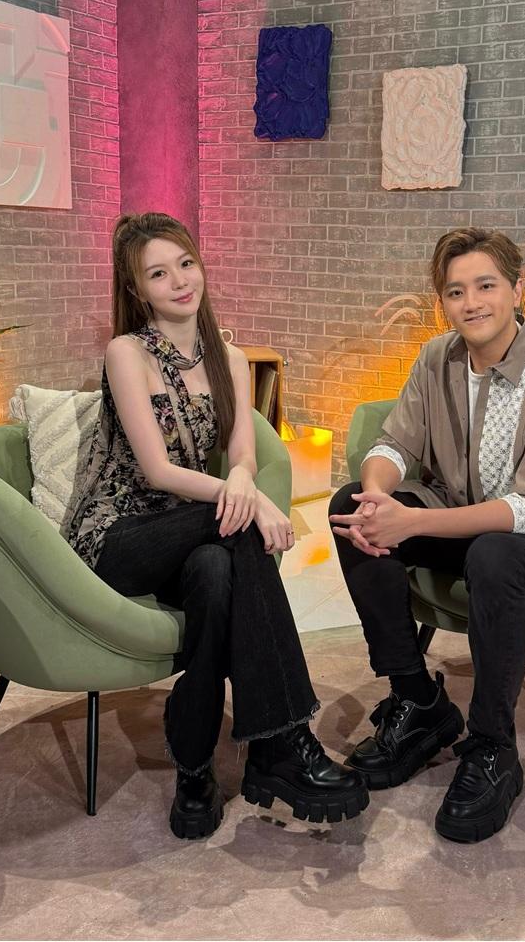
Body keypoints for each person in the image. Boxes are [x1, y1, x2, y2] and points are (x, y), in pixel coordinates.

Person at [66, 211, 368, 840]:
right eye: (158, 274)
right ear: (136, 289)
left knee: (214, 572)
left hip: (192, 535)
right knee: (238, 531)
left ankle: (195, 765)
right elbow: (157, 472)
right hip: (117, 536)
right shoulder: (126, 353)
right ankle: (283, 743)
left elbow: (243, 455)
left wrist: (244, 484)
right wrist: (251, 505)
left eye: (186, 263)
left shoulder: (229, 357)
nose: (179, 281)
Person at [329, 227, 525, 843]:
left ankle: (493, 746)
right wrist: (378, 497)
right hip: (458, 518)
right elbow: (395, 443)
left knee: (495, 555)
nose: (471, 302)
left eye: (486, 286)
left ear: (517, 290)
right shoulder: (438, 358)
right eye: (456, 292)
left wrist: (412, 522)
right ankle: (419, 703)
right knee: (350, 506)